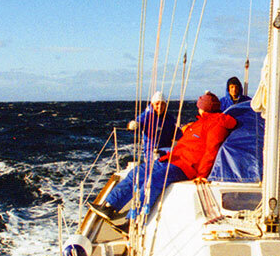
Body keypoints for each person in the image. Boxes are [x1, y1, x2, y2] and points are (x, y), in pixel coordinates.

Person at [100, 92, 237, 216]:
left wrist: (202, 174)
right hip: (173, 159)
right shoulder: (200, 122)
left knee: (152, 181)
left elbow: (211, 151)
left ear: (204, 108)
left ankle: (134, 219)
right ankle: (110, 205)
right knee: (138, 172)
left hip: (186, 167)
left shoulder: (217, 124)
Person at [128, 91, 179, 157]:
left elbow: (176, 131)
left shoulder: (169, 118)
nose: (160, 106)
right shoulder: (147, 116)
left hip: (167, 149)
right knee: (158, 160)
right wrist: (133, 125)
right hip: (152, 150)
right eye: (157, 104)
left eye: (162, 104)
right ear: (152, 104)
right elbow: (137, 124)